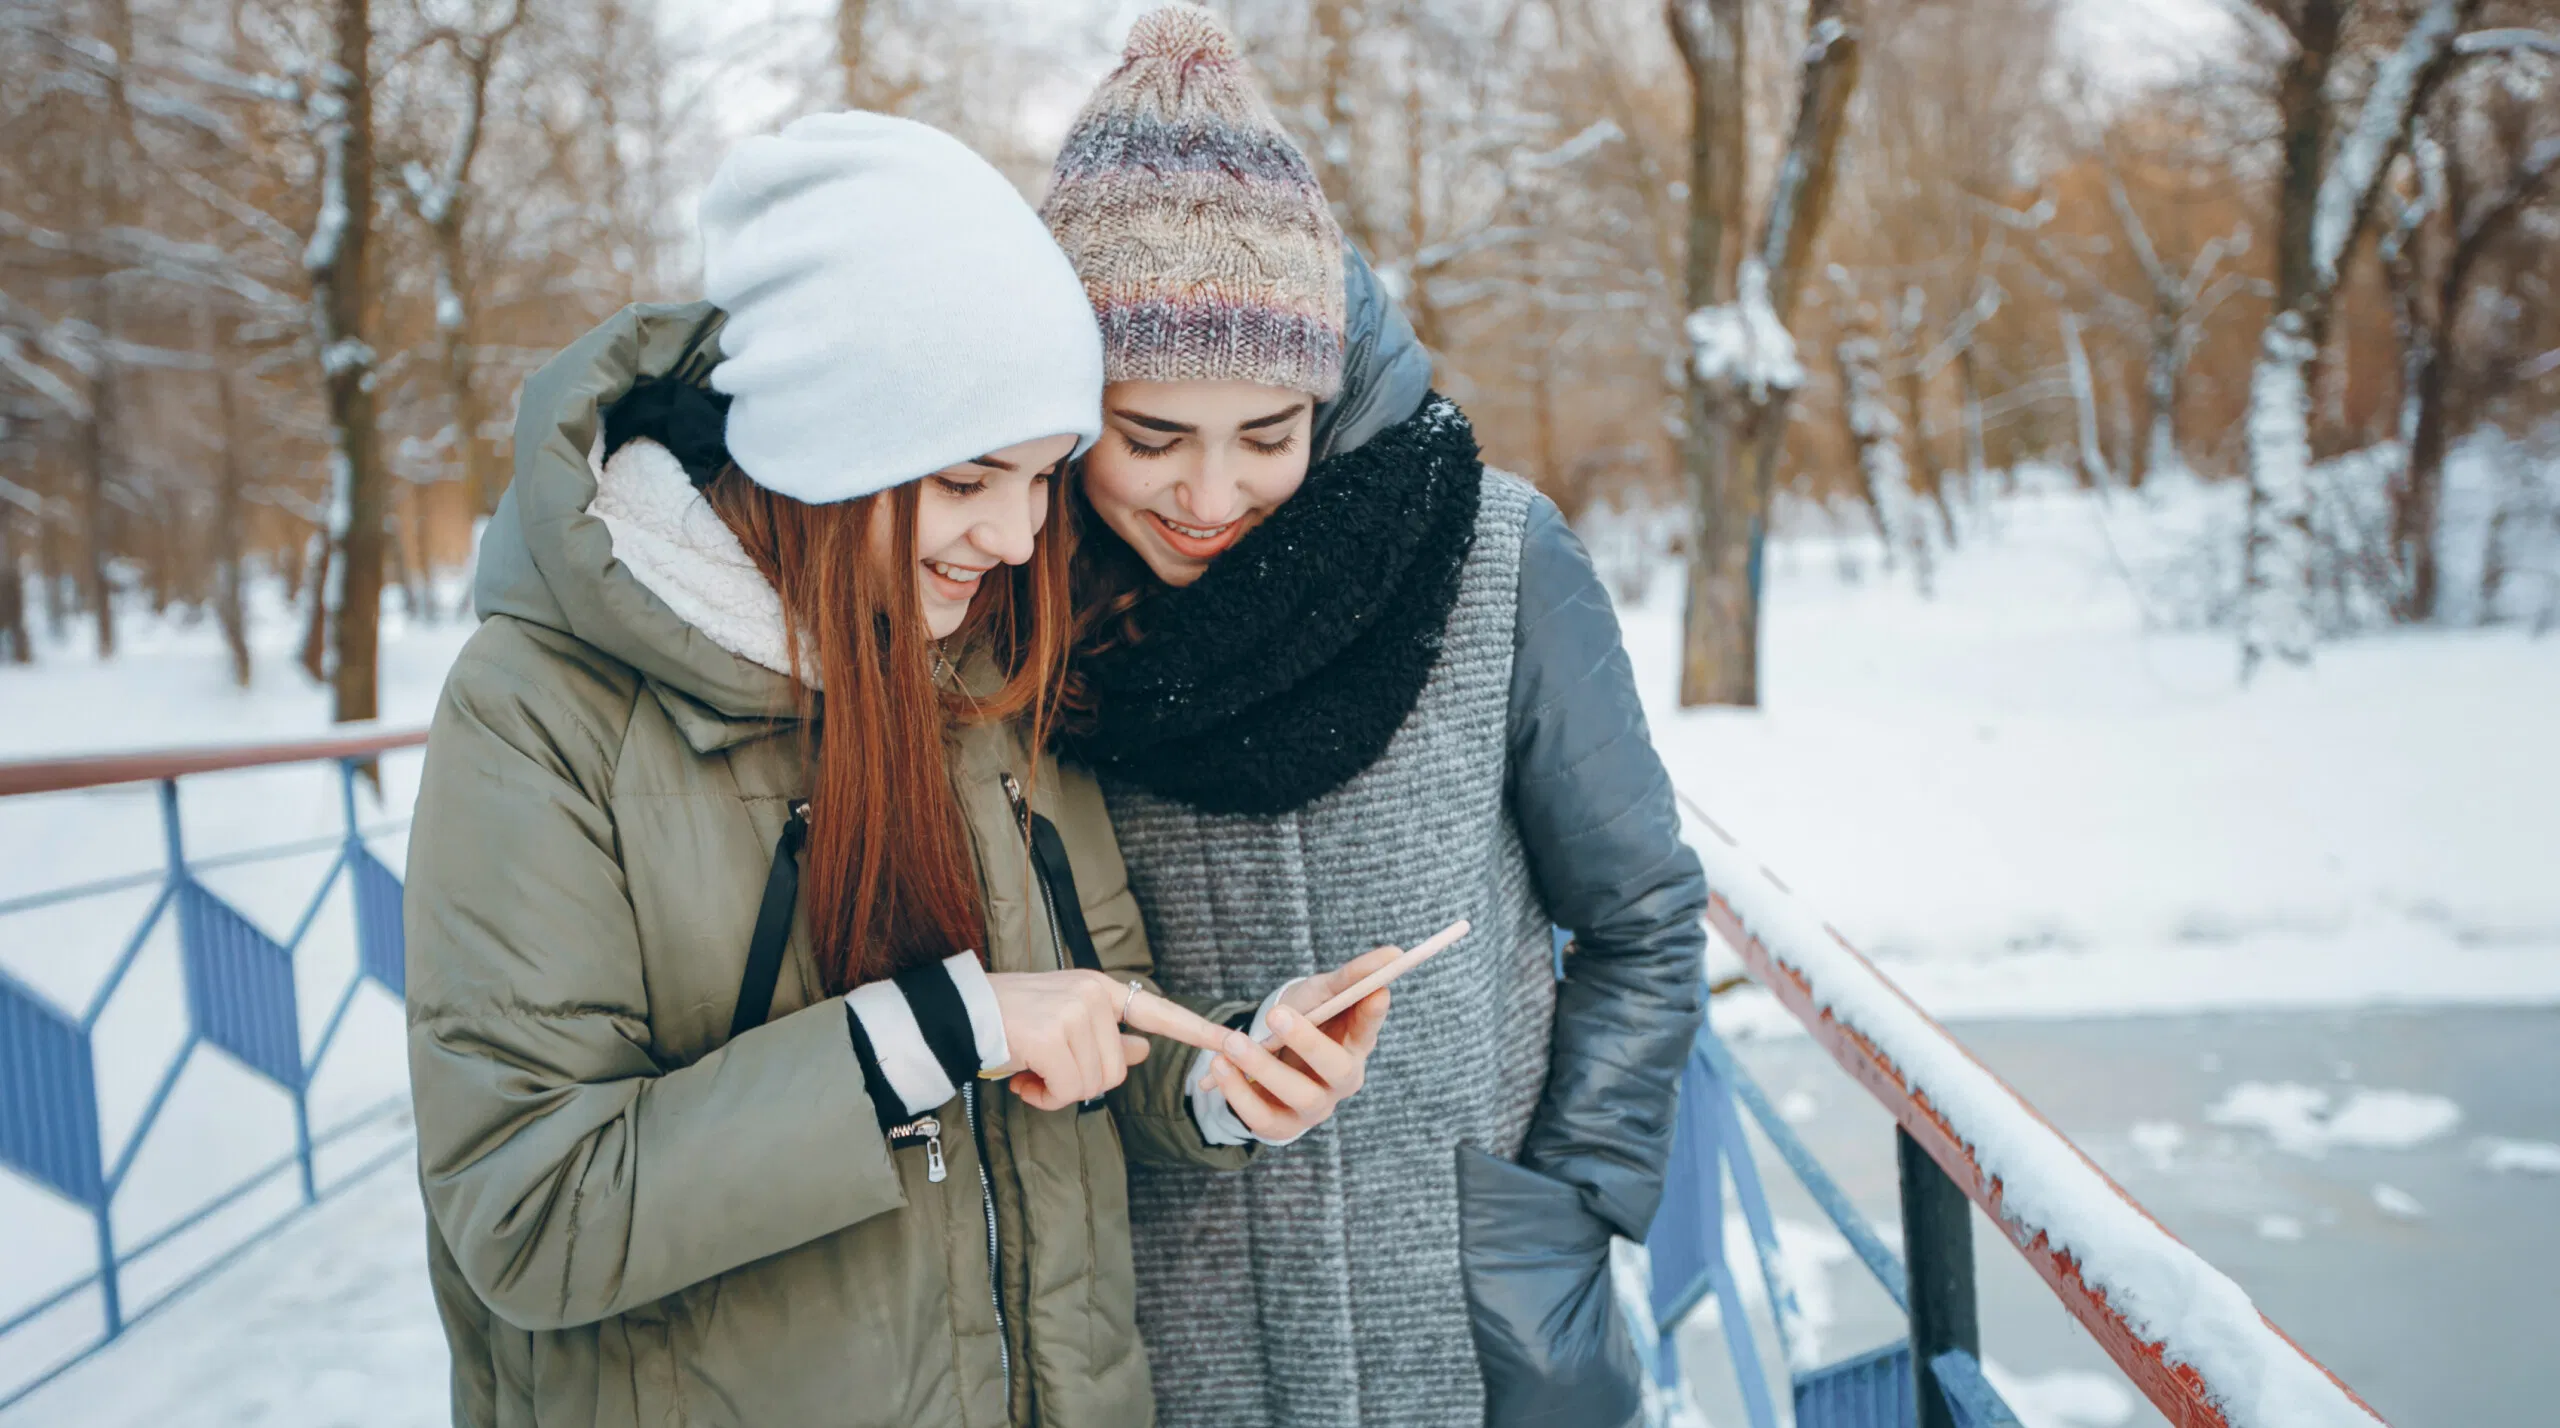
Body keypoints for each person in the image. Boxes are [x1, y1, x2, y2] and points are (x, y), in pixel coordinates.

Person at [402, 112, 1389, 1428]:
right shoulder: (542, 715)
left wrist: (1216, 1076)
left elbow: (1084, 1015)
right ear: (826, 454)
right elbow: (528, 1216)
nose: (1018, 533)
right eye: (971, 478)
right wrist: (933, 1034)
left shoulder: (976, 667)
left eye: (1041, 477)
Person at [1039, 9, 1711, 1427]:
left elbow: (1641, 919)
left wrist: (1567, 1220)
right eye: (1151, 437)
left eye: (1266, 436)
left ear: (1327, 392)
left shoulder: (1493, 557)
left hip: (1480, 1334)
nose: (1210, 497)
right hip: (1160, 1344)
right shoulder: (1012, 622)